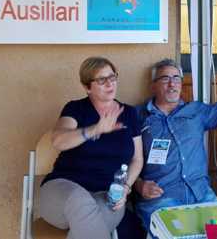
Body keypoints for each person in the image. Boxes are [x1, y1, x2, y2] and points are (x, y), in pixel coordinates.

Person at [37, 57, 144, 239]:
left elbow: (137, 159)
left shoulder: (129, 114)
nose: (110, 83)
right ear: (87, 87)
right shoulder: (75, 109)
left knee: (90, 225)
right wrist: (95, 130)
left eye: (112, 76)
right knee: (80, 201)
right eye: (101, 79)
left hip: (106, 195)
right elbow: (58, 140)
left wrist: (126, 188)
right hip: (63, 191)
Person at [134, 58, 217, 233]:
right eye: (165, 79)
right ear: (154, 86)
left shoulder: (196, 111)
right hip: (161, 196)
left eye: (176, 78)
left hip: (201, 194)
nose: (172, 84)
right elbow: (120, 157)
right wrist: (138, 184)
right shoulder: (138, 116)